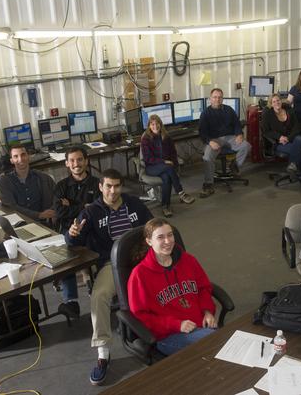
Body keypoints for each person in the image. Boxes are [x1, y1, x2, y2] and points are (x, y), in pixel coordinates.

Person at [65, 169, 153, 386]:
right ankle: (103, 353)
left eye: (117, 186)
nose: (113, 191)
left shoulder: (134, 204)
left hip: (141, 259)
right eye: (108, 186)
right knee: (100, 296)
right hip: (112, 264)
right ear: (100, 187)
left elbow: (153, 226)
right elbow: (74, 242)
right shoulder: (91, 212)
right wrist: (72, 234)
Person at [127, 218, 217, 356]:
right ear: (149, 241)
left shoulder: (188, 260)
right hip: (169, 335)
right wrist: (176, 324)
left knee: (223, 343)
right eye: (160, 237)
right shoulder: (139, 275)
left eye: (170, 235)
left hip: (201, 325)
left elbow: (203, 288)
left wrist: (207, 311)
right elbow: (141, 316)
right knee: (217, 343)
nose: (168, 241)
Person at [52, 145, 101, 319]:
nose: (76, 163)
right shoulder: (61, 186)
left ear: (86, 161)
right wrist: (83, 207)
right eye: (72, 160)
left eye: (80, 159)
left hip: (92, 229)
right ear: (66, 163)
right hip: (68, 230)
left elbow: (97, 210)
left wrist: (71, 206)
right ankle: (71, 301)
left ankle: (101, 289)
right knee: (66, 255)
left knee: (103, 250)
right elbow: (59, 211)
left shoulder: (97, 184)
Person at [198, 88, 251, 198]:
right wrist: (210, 142)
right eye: (215, 97)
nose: (217, 99)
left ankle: (234, 165)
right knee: (207, 157)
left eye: (220, 97)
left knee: (246, 146)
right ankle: (208, 184)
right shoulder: (205, 113)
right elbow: (202, 133)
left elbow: (237, 124)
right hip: (214, 140)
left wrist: (239, 134)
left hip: (230, 137)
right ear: (210, 99)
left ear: (222, 98)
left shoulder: (229, 110)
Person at [141, 114, 195, 217]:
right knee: (168, 168)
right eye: (152, 124)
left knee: (167, 178)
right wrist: (164, 162)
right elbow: (148, 159)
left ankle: (166, 206)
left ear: (160, 124)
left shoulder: (166, 137)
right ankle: (181, 192)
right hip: (152, 167)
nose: (155, 126)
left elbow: (173, 153)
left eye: (157, 123)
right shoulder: (146, 139)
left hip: (166, 168)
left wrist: (175, 166)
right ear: (149, 126)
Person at [261, 93, 301, 190]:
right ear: (271, 104)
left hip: (292, 139)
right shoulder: (268, 114)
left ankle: (293, 165)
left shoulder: (289, 111)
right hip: (279, 143)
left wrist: (288, 138)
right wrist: (279, 137)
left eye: (278, 100)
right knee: (299, 152)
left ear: (281, 101)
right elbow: (266, 131)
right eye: (274, 101)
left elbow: (297, 127)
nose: (277, 103)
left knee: (299, 139)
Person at [0, 145, 56, 222]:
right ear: (11, 160)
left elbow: (58, 197)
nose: (20, 159)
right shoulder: (4, 181)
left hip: (43, 223)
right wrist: (39, 215)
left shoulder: (44, 178)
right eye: (16, 156)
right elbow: (11, 207)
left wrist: (52, 210)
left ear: (28, 157)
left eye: (23, 155)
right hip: (19, 223)